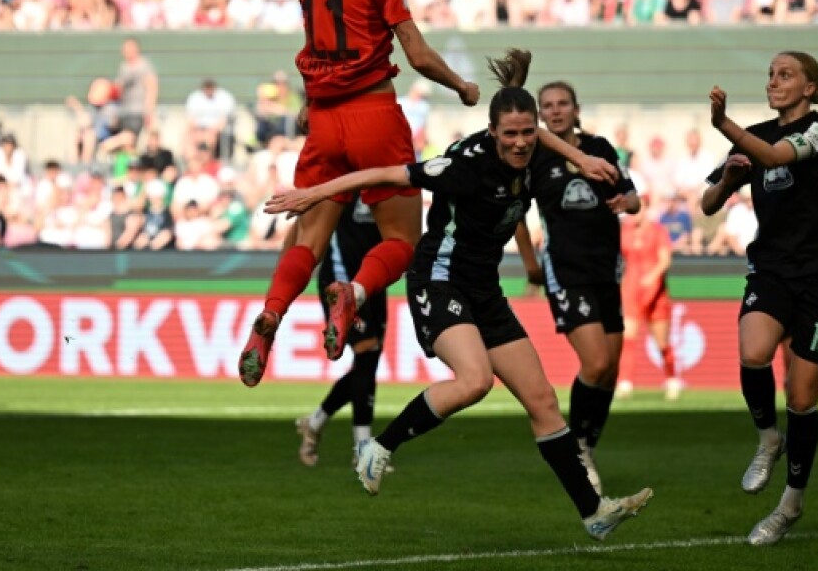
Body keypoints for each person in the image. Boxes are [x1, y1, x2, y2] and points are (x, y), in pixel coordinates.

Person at [265, 50, 651, 541]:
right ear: (492, 133)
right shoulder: (465, 166)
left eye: (527, 133)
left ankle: (593, 512)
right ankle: (378, 448)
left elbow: (543, 134)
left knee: (542, 401)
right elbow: (385, 174)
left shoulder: (537, 153)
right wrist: (311, 194)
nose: (520, 143)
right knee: (475, 380)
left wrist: (579, 156)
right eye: (509, 134)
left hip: (483, 289)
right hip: (438, 279)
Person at [236, 0, 482, 388]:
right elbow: (416, 55)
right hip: (373, 117)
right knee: (402, 239)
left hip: (324, 122)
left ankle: (271, 317)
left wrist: (310, 103)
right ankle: (356, 293)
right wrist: (462, 86)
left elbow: (317, 51)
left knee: (309, 237)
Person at [701, 51, 818, 546]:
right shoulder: (756, 135)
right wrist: (727, 178)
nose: (774, 81)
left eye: (785, 74)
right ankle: (769, 438)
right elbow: (707, 205)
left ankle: (791, 503)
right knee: (753, 351)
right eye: (770, 74)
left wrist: (725, 124)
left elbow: (775, 157)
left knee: (803, 397)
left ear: (810, 87)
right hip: (772, 269)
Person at [514, 80, 641, 493]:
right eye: (546, 105)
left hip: (606, 270)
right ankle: (577, 448)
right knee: (597, 362)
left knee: (610, 372)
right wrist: (531, 264)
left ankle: (586, 444)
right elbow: (515, 213)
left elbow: (632, 196)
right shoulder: (534, 158)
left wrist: (626, 203)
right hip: (565, 272)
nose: (554, 111)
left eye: (562, 104)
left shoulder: (600, 147)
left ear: (575, 108)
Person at [295, 196, 390, 468]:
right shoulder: (346, 181)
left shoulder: (386, 179)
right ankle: (362, 448)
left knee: (368, 361)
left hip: (373, 280)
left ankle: (314, 424)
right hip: (342, 281)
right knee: (366, 351)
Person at [617, 195, 681, 401]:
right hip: (630, 289)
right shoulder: (624, 231)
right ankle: (625, 382)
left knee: (662, 342)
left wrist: (652, 277)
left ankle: (672, 379)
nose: (632, 214)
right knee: (628, 337)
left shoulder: (658, 231)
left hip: (655, 291)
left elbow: (665, 260)